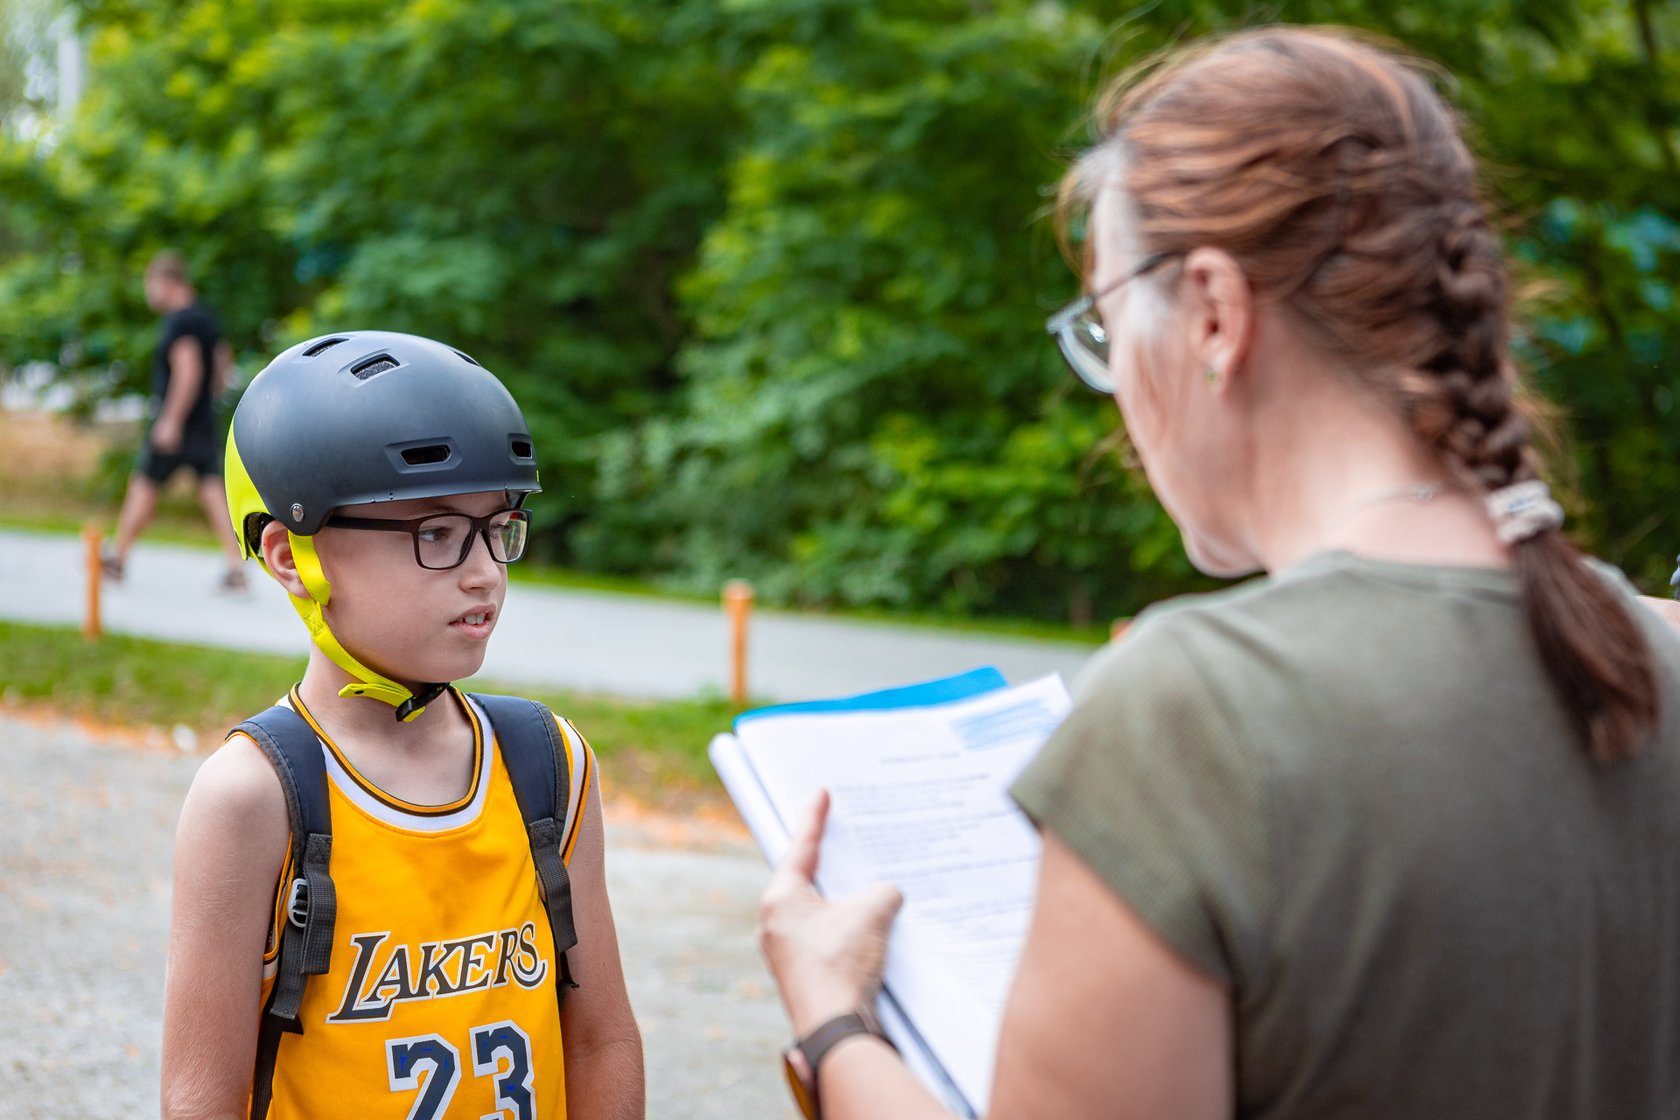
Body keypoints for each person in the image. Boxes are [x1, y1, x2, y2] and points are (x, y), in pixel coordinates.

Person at [756, 25, 1680, 1120]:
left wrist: (834, 1020)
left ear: (1211, 313)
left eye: (1107, 326)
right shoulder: (1649, 650)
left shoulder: (1195, 707)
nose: (1118, 402)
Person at [160, 331, 645, 1118]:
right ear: (290, 556)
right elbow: (199, 1098)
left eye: (499, 528)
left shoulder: (547, 763)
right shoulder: (254, 796)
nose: (485, 572)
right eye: (438, 534)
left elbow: (600, 1041)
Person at [103, 250, 248, 591]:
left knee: (144, 484)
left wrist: (171, 420)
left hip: (179, 422)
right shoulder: (206, 317)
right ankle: (236, 566)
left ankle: (117, 560)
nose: (148, 292)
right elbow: (222, 363)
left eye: (149, 283)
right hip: (201, 420)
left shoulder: (180, 321)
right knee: (211, 490)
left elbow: (188, 370)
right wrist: (207, 400)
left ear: (167, 281)